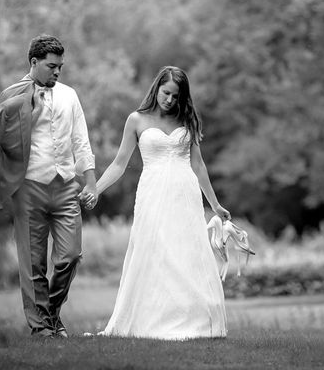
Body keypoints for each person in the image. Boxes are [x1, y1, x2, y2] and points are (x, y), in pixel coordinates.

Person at [89, 66, 230, 340]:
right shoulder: (136, 120)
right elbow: (119, 164)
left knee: (184, 252)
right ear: (156, 89)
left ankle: (194, 319)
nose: (169, 100)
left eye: (176, 96)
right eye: (166, 93)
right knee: (155, 250)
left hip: (184, 192)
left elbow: (198, 165)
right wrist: (96, 189)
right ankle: (152, 320)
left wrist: (215, 204)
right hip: (152, 192)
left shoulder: (186, 120)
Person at [0, 34, 98, 338]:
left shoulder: (70, 95)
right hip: (29, 187)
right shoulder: (12, 96)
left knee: (70, 256)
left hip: (65, 186)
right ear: (33, 62)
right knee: (32, 262)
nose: (57, 72)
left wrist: (92, 183)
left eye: (60, 66)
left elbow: (80, 141)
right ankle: (41, 328)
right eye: (51, 66)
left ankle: (50, 312)